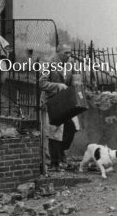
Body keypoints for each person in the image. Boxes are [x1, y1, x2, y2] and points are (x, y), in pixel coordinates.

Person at [39, 43, 80, 171]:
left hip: (65, 102)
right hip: (51, 101)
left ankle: (61, 154)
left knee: (71, 128)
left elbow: (76, 81)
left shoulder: (71, 65)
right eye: (66, 53)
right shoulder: (48, 63)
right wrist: (58, 85)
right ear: (58, 52)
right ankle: (54, 162)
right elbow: (42, 83)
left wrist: (77, 81)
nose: (69, 55)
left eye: (70, 52)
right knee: (54, 132)